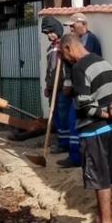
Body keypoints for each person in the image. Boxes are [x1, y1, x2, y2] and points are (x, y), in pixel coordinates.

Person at [59, 33, 112, 223]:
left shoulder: (79, 69)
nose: (65, 59)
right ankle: (99, 221)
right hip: (110, 129)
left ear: (69, 48)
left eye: (63, 54)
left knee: (99, 179)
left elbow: (85, 106)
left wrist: (106, 113)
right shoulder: (103, 63)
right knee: (103, 178)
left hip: (93, 130)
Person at [60, 13, 102, 167]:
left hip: (86, 89)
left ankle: (78, 157)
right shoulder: (76, 41)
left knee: (77, 120)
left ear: (83, 24)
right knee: (72, 121)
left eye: (73, 26)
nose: (70, 29)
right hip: (77, 88)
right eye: (69, 26)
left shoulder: (91, 41)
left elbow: (91, 65)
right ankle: (74, 155)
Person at [41, 16, 69, 154]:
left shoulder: (64, 45)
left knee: (63, 115)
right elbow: (49, 70)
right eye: (47, 33)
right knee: (56, 116)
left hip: (63, 87)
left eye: (51, 31)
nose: (49, 35)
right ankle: (61, 140)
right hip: (53, 88)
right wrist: (47, 86)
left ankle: (65, 143)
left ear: (57, 30)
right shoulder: (50, 49)